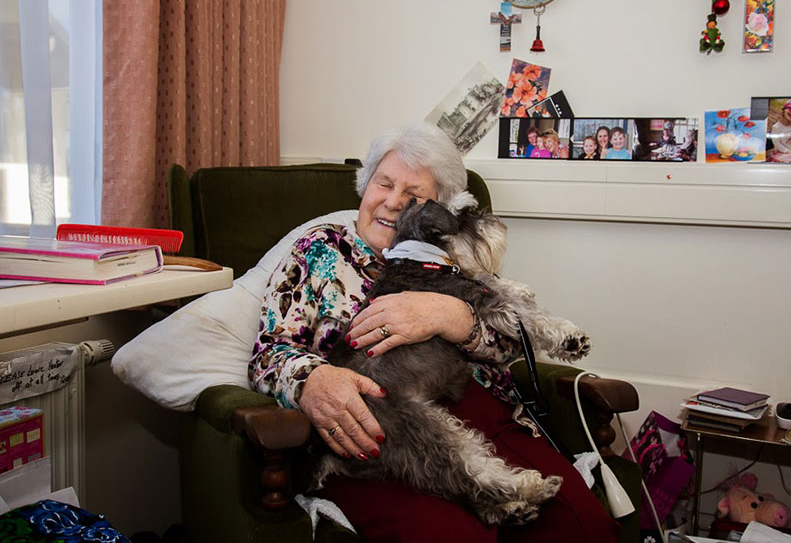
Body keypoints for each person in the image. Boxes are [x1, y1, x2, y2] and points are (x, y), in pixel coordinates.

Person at [249, 122, 619, 542]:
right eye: (383, 184)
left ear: (439, 213)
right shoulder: (320, 249)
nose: (393, 203)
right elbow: (269, 353)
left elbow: (514, 344)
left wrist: (453, 316)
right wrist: (315, 381)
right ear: (365, 185)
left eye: (413, 196)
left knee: (581, 527)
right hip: (376, 427)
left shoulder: (458, 261)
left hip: (480, 409)